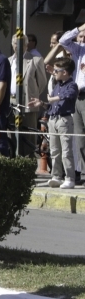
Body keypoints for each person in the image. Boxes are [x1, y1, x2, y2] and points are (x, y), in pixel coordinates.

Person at [34, 57, 78, 189]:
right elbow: (51, 105)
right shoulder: (57, 85)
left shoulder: (72, 85)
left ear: (65, 72)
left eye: (57, 70)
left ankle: (70, 178)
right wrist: (42, 103)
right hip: (53, 119)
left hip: (64, 120)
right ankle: (56, 176)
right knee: (54, 150)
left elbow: (67, 96)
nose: (54, 73)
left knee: (66, 151)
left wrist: (53, 98)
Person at [9, 35, 47, 157]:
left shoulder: (35, 60)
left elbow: (42, 83)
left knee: (28, 136)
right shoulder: (9, 60)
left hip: (27, 103)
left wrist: (32, 95)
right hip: (11, 102)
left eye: (20, 43)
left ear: (26, 45)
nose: (17, 46)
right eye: (15, 43)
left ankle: (28, 163)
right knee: (11, 134)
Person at [59, 25, 85, 182]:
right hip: (78, 98)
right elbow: (63, 40)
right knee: (79, 138)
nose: (82, 38)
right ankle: (83, 173)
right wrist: (80, 28)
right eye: (81, 36)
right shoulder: (79, 50)